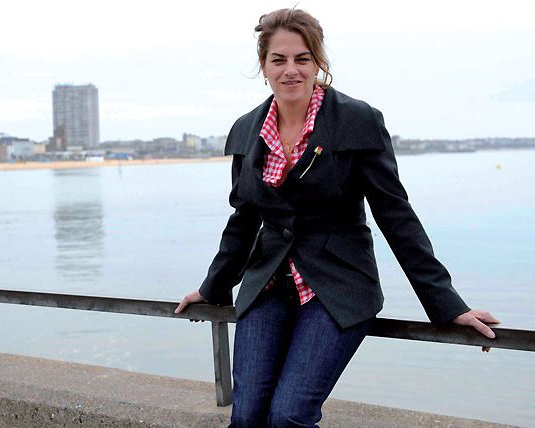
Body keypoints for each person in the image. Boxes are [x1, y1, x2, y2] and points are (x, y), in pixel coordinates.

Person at [175, 8, 498, 428]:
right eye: (279, 59)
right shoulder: (246, 130)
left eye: (302, 58)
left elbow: (395, 215)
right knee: (247, 416)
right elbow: (244, 218)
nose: (291, 70)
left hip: (337, 287)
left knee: (288, 416)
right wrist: (213, 287)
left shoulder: (357, 121)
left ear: (318, 62)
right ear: (263, 66)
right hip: (268, 286)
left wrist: (447, 303)